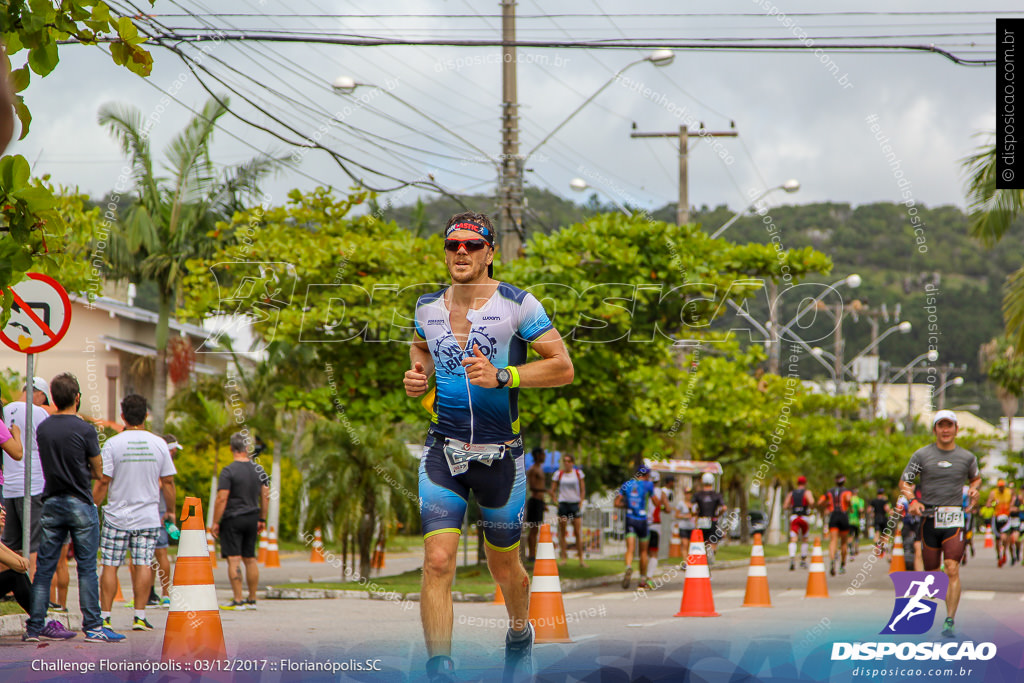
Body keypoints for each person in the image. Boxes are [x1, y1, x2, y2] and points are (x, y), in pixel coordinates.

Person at [403, 211, 573, 683]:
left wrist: (506, 375)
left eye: (473, 246)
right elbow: (421, 348)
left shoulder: (519, 305)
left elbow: (563, 367)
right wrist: (419, 378)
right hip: (444, 451)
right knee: (437, 562)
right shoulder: (426, 307)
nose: (462, 252)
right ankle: (440, 668)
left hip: (502, 457)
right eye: (453, 244)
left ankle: (519, 633)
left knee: (506, 567)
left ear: (490, 254)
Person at [25, 373, 124, 643]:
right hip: (80, 501)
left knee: (45, 568)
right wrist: (85, 471)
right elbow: (99, 469)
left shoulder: (43, 428)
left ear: (53, 398)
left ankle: (35, 627)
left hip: (51, 502)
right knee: (87, 567)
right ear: (77, 397)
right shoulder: (85, 429)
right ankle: (93, 627)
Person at [92, 394, 176, 631]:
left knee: (109, 565)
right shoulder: (159, 443)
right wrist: (170, 511)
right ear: (146, 415)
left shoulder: (112, 444)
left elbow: (103, 481)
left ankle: (105, 617)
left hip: (117, 516)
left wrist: (93, 506)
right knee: (143, 564)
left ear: (122, 416)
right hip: (147, 516)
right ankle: (139, 617)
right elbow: (168, 482)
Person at [899, 409, 981, 639]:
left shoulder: (967, 458)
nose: (945, 430)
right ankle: (937, 597)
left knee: (952, 567)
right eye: (941, 425)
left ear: (956, 429)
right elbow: (904, 482)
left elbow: (975, 477)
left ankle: (949, 620)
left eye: (949, 425)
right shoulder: (921, 456)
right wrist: (912, 500)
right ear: (935, 429)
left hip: (954, 519)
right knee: (933, 574)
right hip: (929, 520)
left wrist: (974, 488)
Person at [212, 432, 269, 611]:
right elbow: (266, 496)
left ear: (231, 448)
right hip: (252, 518)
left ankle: (238, 599)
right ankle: (252, 599)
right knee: (250, 559)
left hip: (233, 518)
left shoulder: (228, 471)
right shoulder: (259, 470)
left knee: (234, 560)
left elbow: (222, 498)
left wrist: (215, 522)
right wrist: (262, 518)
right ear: (247, 448)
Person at [2, 378, 51, 578]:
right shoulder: (39, 413)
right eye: (43, 398)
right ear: (38, 393)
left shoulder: (5, 410)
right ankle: (34, 593)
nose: (42, 402)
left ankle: (5, 591)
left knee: (8, 546)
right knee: (34, 544)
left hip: (9, 486)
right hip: (32, 486)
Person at [149, 434, 182, 608]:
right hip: (158, 510)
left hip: (155, 510)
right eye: (174, 448)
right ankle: (159, 594)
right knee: (156, 554)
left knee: (153, 554)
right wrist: (171, 511)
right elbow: (165, 483)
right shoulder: (162, 460)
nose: (175, 452)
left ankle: (162, 593)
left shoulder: (155, 458)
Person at [615, 466, 660, 590]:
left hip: (630, 519)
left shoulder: (627, 484)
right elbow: (656, 502)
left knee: (630, 548)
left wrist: (627, 505)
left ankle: (628, 567)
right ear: (646, 475)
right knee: (643, 552)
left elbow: (616, 503)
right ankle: (642, 579)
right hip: (642, 520)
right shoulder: (648, 485)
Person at [551, 454, 586, 567]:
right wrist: (556, 502)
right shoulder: (559, 474)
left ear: (572, 463)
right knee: (562, 532)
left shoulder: (578, 473)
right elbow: (553, 490)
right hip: (563, 504)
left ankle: (581, 559)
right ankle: (564, 558)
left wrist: (580, 501)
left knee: (577, 532)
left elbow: (582, 489)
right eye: (565, 461)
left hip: (574, 504)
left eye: (568, 461)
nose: (566, 463)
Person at [818, 474, 853, 576]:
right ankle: (842, 564)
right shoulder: (847, 491)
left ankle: (832, 560)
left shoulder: (830, 491)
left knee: (833, 540)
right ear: (844, 481)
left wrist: (828, 505)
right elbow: (847, 499)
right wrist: (850, 507)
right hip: (843, 515)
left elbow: (820, 502)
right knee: (844, 542)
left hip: (833, 516)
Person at [691, 472, 727, 561]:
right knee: (713, 539)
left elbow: (691, 506)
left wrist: (694, 514)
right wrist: (718, 515)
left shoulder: (698, 495)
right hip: (712, 519)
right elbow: (724, 508)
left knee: (701, 539)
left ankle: (704, 556)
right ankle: (711, 554)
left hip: (701, 520)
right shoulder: (716, 495)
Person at [783, 475, 814, 571]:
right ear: (805, 483)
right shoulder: (807, 492)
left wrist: (792, 507)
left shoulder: (791, 493)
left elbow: (785, 505)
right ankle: (803, 560)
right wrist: (810, 507)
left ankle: (792, 558)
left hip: (794, 517)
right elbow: (812, 502)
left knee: (793, 538)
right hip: (804, 517)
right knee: (805, 538)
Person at [524, 447, 547, 563]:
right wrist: (546, 491)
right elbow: (532, 486)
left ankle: (534, 553)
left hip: (540, 501)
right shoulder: (533, 469)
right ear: (537, 455)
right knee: (533, 529)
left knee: (536, 529)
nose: (544, 456)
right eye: (543, 454)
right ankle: (531, 554)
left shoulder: (540, 469)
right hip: (534, 500)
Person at [987, 478, 1015, 567]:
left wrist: (1012, 508)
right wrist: (995, 503)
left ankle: (1004, 554)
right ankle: (999, 556)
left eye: (1002, 487)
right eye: (999, 487)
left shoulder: (1009, 492)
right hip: (996, 518)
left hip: (1006, 518)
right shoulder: (993, 493)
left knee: (1004, 538)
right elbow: (988, 504)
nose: (1001, 488)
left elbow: (1013, 503)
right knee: (998, 540)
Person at [869, 488, 892, 557]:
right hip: (883, 518)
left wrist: (872, 513)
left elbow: (869, 509)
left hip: (876, 518)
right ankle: (883, 548)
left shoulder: (874, 501)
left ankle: (877, 548)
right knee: (884, 535)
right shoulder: (884, 501)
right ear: (883, 494)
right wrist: (890, 512)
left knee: (877, 533)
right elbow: (887, 508)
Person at [674, 487, 695, 560]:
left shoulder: (694, 504)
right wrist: (684, 516)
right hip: (683, 526)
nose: (688, 495)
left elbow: (696, 515)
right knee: (684, 544)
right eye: (687, 493)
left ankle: (689, 561)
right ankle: (685, 561)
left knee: (690, 545)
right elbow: (676, 515)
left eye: (689, 493)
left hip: (691, 526)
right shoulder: (681, 503)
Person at [848, 487, 865, 557]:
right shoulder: (860, 500)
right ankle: (856, 549)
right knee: (856, 536)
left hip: (849, 520)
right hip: (856, 521)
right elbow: (861, 510)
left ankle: (850, 548)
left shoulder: (849, 500)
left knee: (850, 536)